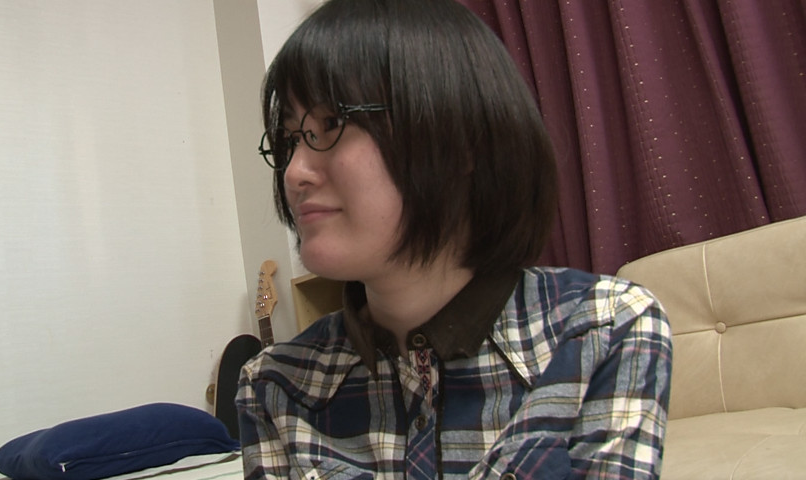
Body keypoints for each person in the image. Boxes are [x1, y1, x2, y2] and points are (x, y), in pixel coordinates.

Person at [238, 0, 672, 478]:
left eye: (332, 124)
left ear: (460, 141)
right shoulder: (274, 385)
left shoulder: (603, 331)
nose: (294, 172)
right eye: (289, 140)